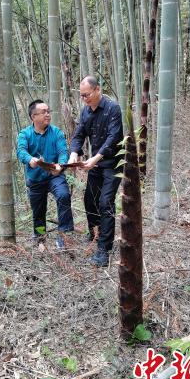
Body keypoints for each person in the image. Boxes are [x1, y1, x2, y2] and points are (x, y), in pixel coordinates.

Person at [68, 76, 123, 266]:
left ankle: (104, 249)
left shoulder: (112, 108)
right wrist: (74, 153)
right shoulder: (85, 112)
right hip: (95, 164)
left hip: (113, 163)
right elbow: (79, 134)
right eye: (82, 96)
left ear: (98, 89)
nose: (85, 99)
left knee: (105, 202)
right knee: (89, 200)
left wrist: (95, 158)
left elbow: (113, 138)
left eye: (87, 95)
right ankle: (95, 233)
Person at [17, 99, 74, 248]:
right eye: (43, 112)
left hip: (54, 175)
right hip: (35, 178)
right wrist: (30, 159)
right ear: (33, 117)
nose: (47, 115)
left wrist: (59, 166)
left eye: (48, 111)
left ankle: (64, 237)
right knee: (38, 211)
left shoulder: (56, 132)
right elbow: (21, 151)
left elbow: (63, 152)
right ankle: (40, 239)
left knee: (63, 195)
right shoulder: (25, 134)